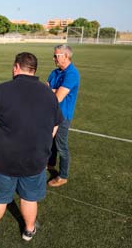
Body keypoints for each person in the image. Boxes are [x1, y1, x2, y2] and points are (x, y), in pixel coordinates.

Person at [0, 52, 63, 241]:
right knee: (29, 197)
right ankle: (29, 230)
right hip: (35, 158)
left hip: (1, 158)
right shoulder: (48, 93)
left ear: (16, 67)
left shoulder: (1, 90)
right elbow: (55, 124)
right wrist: (44, 144)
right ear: (34, 70)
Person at [47, 44, 80, 187]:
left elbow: (58, 97)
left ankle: (63, 175)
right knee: (50, 142)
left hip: (63, 115)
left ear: (66, 56)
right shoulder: (55, 72)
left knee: (61, 146)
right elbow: (46, 89)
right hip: (50, 112)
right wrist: (52, 90)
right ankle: (50, 163)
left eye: (56, 56)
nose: (53, 58)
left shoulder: (72, 74)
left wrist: (51, 91)